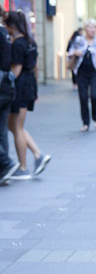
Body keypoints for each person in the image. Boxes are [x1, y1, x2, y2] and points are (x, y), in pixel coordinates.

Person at [5, 10, 49, 180]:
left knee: (16, 127)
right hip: (30, 85)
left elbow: (16, 70)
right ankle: (38, 156)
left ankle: (23, 167)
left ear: (11, 26)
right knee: (16, 126)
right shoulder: (31, 42)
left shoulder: (17, 44)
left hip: (21, 86)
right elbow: (35, 67)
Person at [69, 19, 96, 132]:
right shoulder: (78, 40)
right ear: (85, 28)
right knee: (83, 97)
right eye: (90, 27)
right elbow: (70, 51)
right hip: (81, 72)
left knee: (95, 95)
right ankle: (85, 123)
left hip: (95, 72)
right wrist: (75, 53)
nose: (92, 29)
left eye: (94, 27)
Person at [0, 9, 17, 185]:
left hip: (2, 85)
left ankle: (5, 163)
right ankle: (4, 171)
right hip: (7, 85)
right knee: (2, 130)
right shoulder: (5, 33)